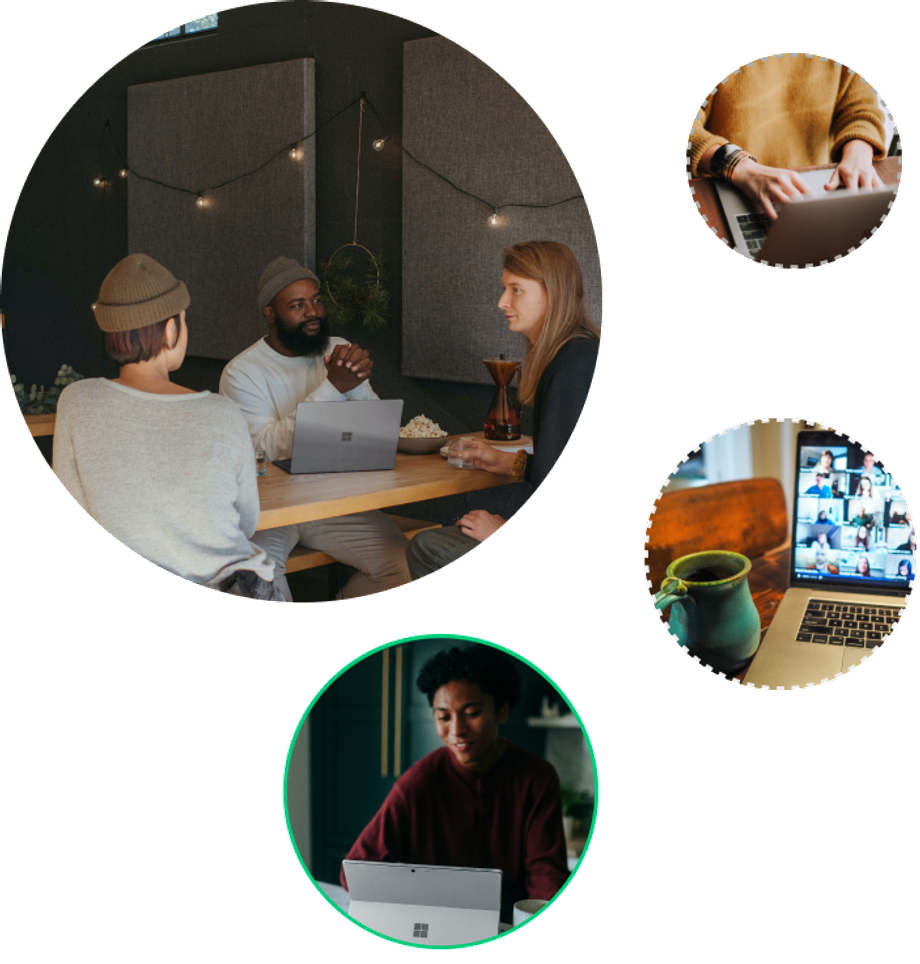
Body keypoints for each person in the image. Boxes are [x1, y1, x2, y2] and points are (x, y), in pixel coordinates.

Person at [52, 253, 285, 600]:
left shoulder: (76, 402)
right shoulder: (222, 413)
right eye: (183, 320)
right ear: (172, 328)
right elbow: (246, 521)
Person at [406, 240, 600, 578]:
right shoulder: (581, 353)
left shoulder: (567, 371)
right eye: (503, 289)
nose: (502, 302)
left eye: (516, 290)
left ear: (551, 294)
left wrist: (501, 527)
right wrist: (511, 462)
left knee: (426, 547)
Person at [219, 257, 410, 600]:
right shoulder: (242, 373)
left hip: (333, 502)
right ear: (270, 313)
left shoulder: (336, 348)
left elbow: (373, 429)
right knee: (258, 582)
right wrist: (333, 387)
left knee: (405, 564)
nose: (313, 312)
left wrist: (357, 384)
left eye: (316, 300)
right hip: (269, 510)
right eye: (297, 305)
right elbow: (262, 450)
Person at [339, 644, 570, 924]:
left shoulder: (536, 777)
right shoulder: (418, 783)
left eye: (471, 713)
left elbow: (546, 873)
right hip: (438, 924)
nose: (456, 730)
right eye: (443, 717)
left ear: (502, 711)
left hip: (510, 921)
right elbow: (358, 870)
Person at [689, 56, 889, 220]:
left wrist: (858, 153)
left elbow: (860, 108)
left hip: (818, 189)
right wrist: (738, 166)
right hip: (732, 188)